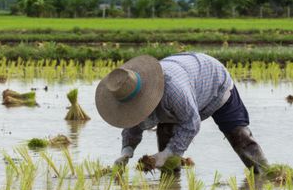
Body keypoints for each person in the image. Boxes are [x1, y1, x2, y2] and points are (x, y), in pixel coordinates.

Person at [95, 52, 269, 173]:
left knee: (239, 135)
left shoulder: (173, 91)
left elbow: (191, 123)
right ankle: (171, 189)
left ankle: (266, 173)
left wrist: (169, 153)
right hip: (184, 80)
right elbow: (132, 124)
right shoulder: (130, 93)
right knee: (166, 144)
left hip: (213, 81)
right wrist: (126, 151)